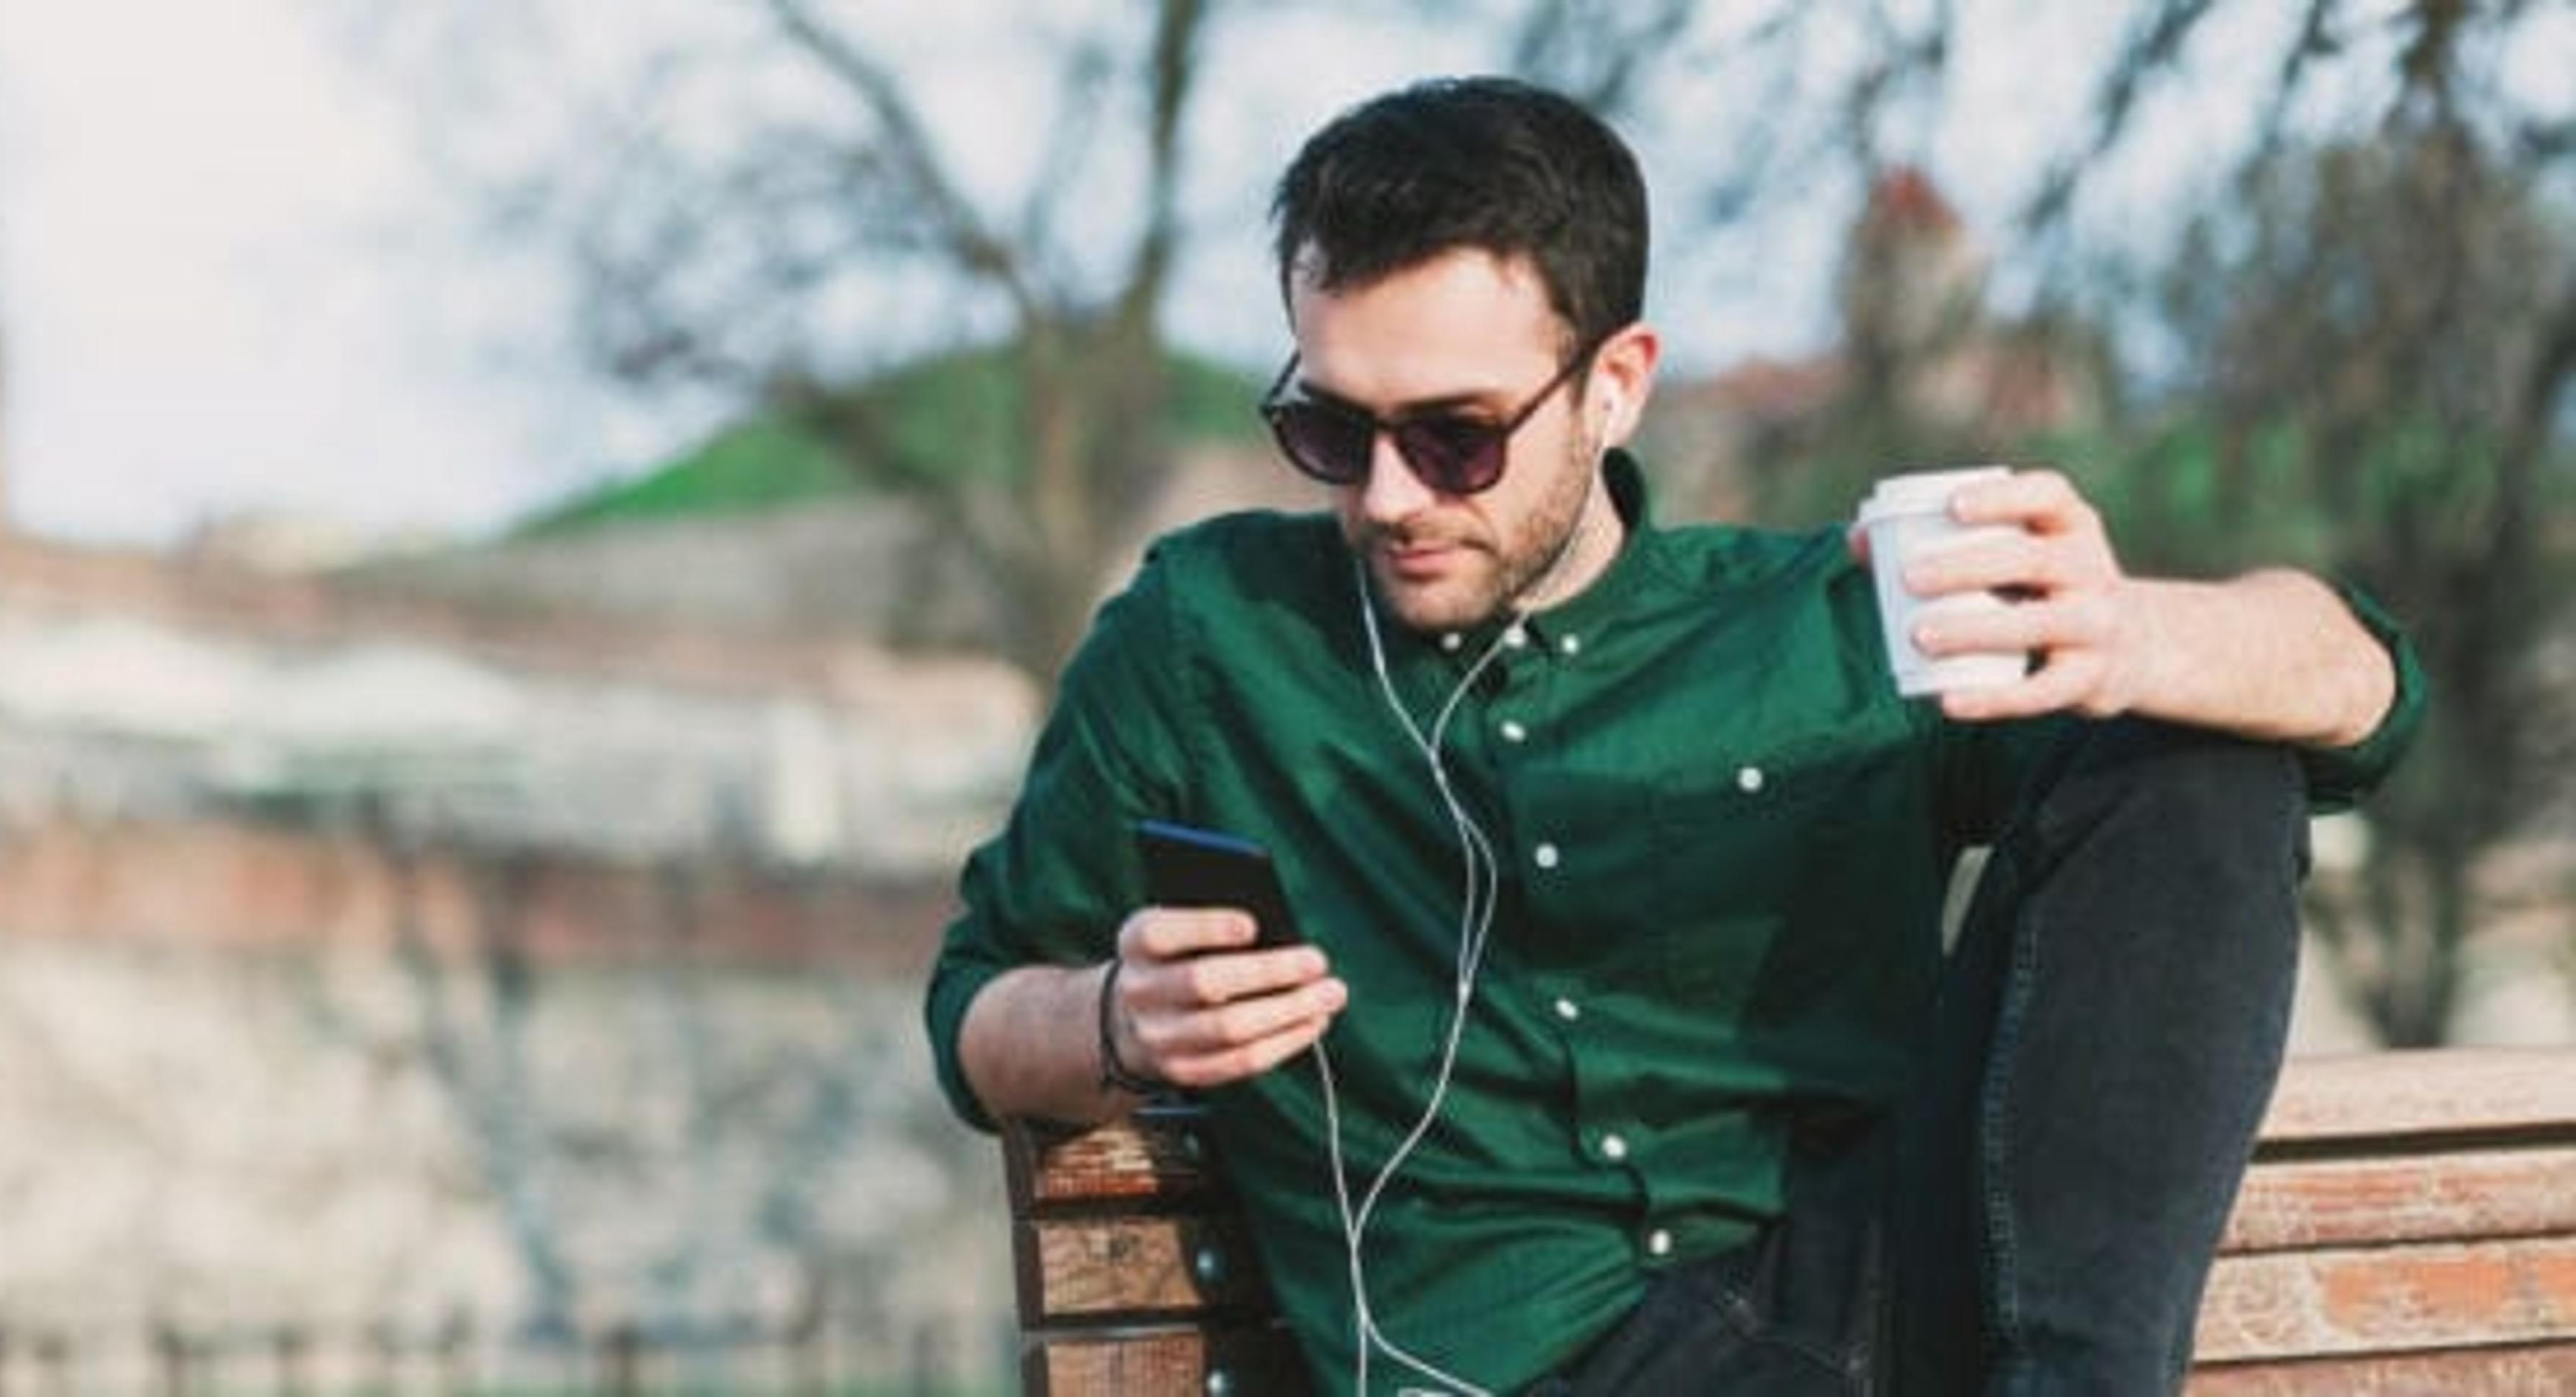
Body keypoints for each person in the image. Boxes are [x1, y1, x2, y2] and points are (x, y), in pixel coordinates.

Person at [925, 76, 2424, 1396]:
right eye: (1332, 429)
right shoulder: (1210, 638)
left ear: (1616, 385)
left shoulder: (1823, 623)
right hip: (1519, 1360)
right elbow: (980, 1012)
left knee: (2196, 738)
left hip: (1887, 1304)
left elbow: (2363, 694)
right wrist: (1116, 1022)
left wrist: (2139, 634)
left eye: (1454, 437)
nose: (1386, 496)